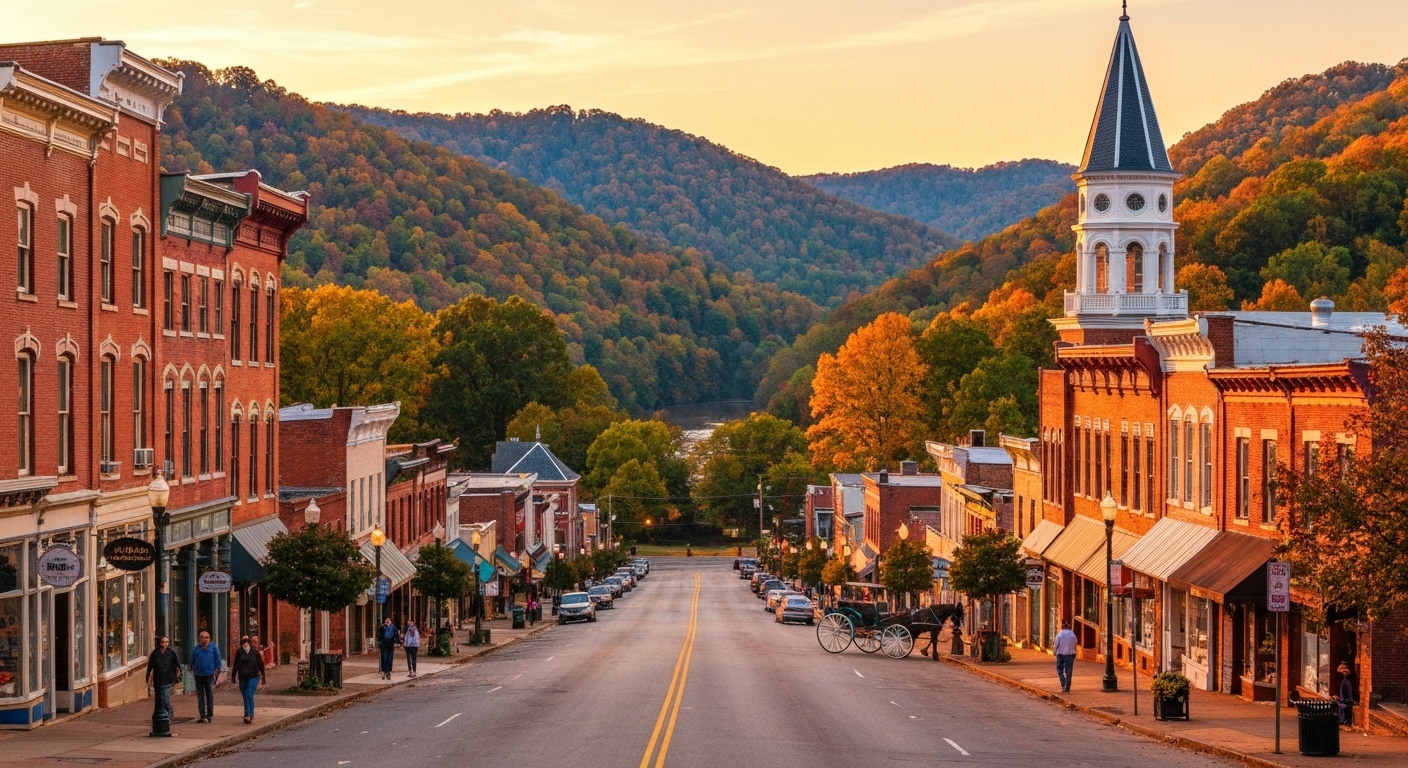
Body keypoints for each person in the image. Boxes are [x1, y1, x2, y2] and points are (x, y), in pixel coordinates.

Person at [189, 630, 223, 723]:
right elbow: (192, 660)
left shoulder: (214, 648)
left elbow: (218, 661)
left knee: (209, 695)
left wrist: (217, 673)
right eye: (202, 637)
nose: (204, 640)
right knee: (200, 696)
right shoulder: (196, 649)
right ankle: (202, 715)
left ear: (209, 638)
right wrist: (192, 669)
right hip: (198, 675)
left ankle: (209, 715)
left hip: (209, 675)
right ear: (199, 638)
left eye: (206, 637)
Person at [145, 635, 181, 723]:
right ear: (159, 643)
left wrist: (178, 676)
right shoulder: (155, 653)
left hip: (168, 679)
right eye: (163, 642)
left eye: (166, 642)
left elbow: (177, 664)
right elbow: (150, 666)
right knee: (159, 699)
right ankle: (161, 715)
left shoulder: (171, 653)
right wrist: (148, 677)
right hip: (158, 679)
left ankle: (169, 712)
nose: (165, 644)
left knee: (164, 697)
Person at [231, 635, 266, 724]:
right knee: (245, 696)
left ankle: (250, 714)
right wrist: (233, 676)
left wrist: (263, 677)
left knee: (249, 694)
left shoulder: (255, 652)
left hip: (253, 676)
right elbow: (235, 664)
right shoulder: (239, 652)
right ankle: (246, 713)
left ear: (249, 643)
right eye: (244, 642)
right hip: (242, 677)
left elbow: (261, 664)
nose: (246, 644)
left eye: (247, 642)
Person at [1053, 621, 1078, 693]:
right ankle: (1067, 686)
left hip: (1061, 654)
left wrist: (1055, 652)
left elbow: (1056, 645)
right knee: (1069, 670)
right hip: (1070, 654)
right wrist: (1074, 652)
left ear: (1062, 627)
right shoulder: (1073, 635)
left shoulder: (1059, 635)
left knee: (1059, 669)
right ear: (1069, 627)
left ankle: (1063, 683)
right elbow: (1075, 644)